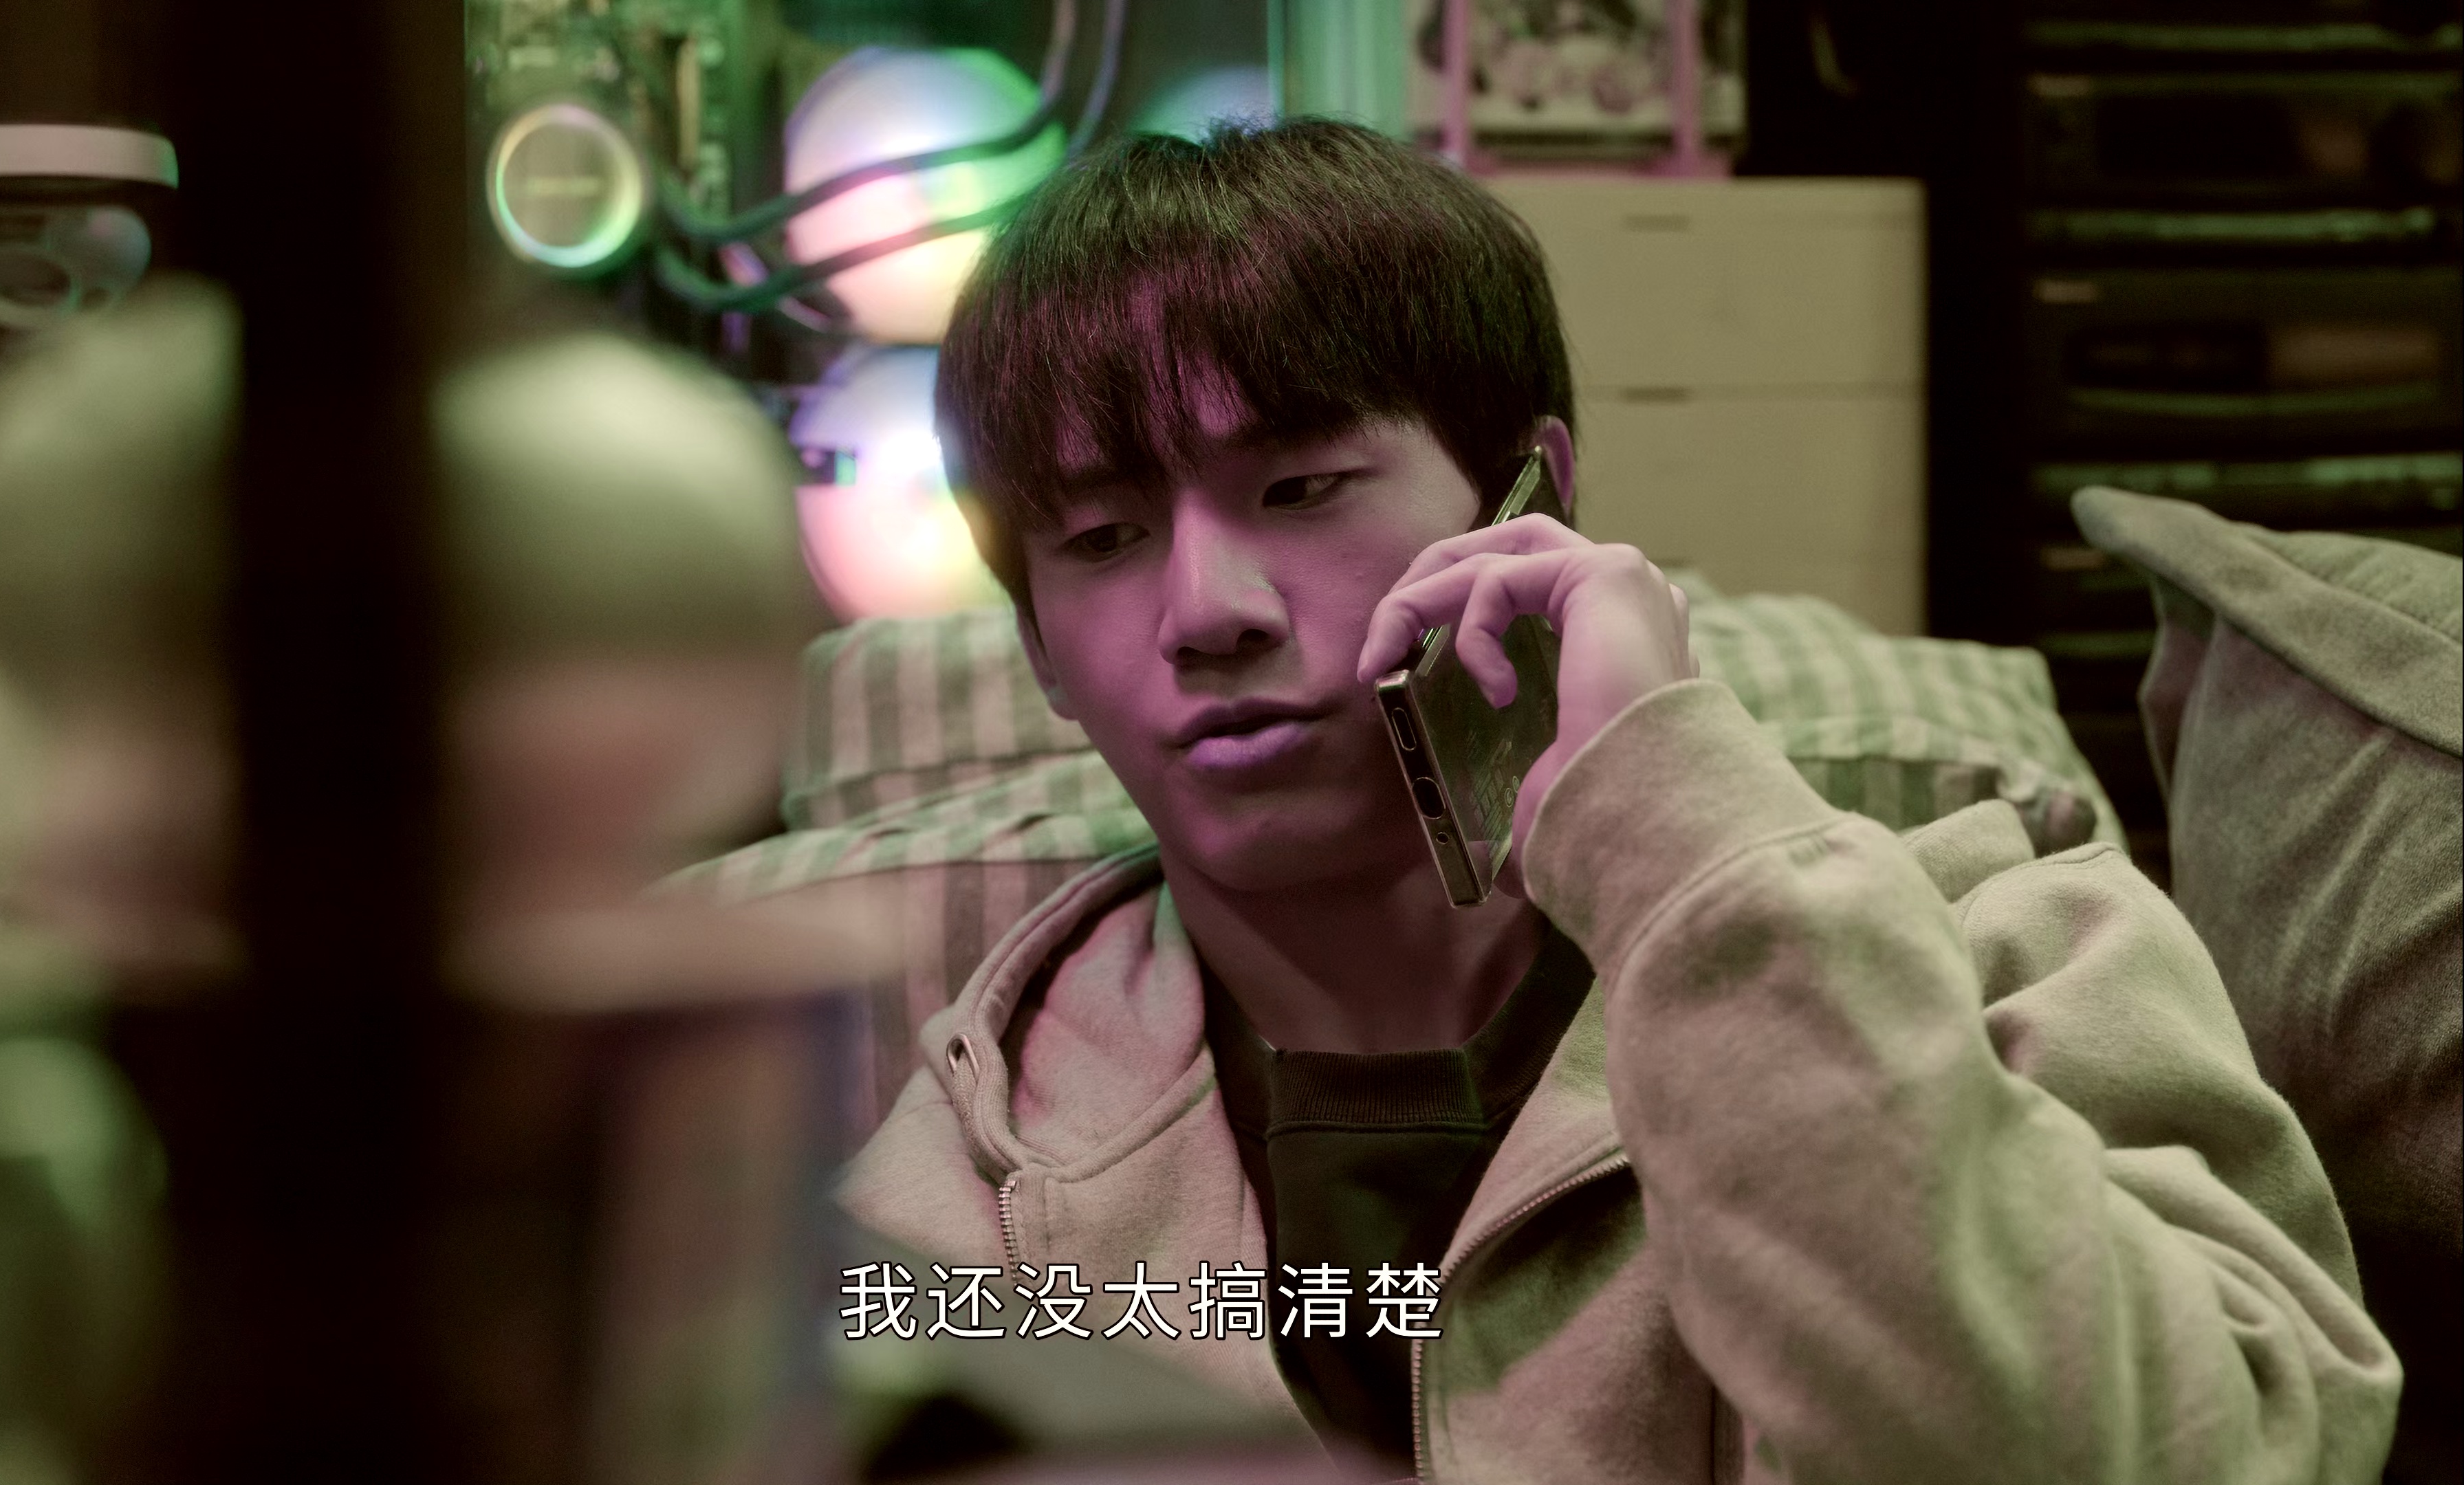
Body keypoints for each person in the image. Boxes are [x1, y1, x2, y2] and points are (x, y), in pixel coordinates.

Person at [838, 120, 2399, 1482]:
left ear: (1532, 503)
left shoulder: (2019, 953)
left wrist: (1677, 833)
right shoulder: (977, 1170)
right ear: (1036, 647)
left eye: (1300, 488)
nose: (1206, 610)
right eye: (1101, 537)